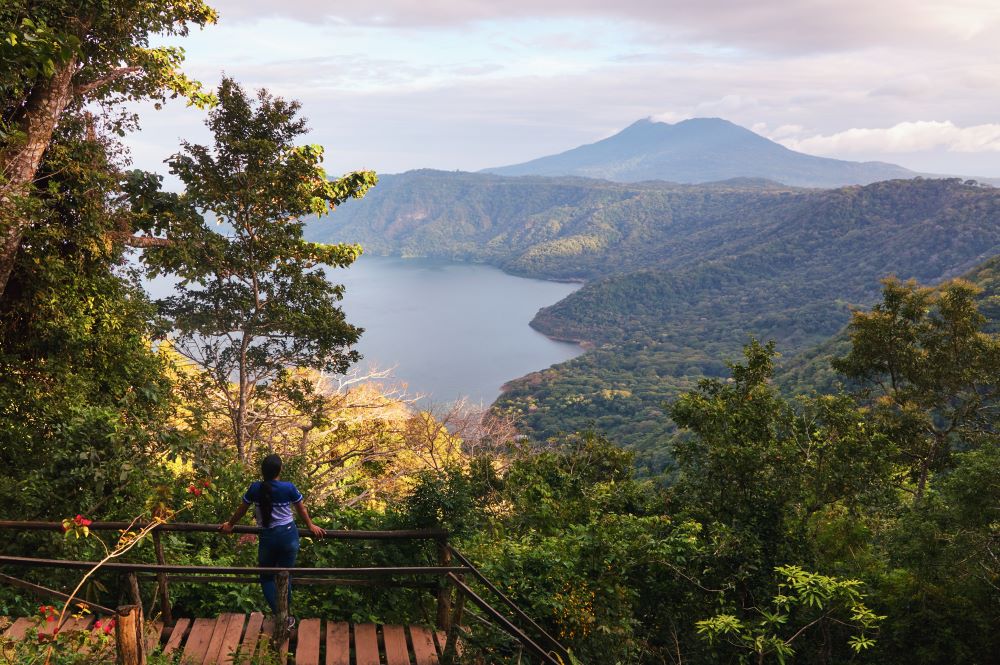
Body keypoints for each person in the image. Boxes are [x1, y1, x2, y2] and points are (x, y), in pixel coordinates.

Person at [221, 454, 324, 625]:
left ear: (262, 471)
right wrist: (310, 525)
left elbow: (242, 510)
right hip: (289, 536)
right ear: (280, 470)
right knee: (286, 574)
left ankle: (281, 615)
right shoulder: (289, 488)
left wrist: (230, 525)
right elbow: (301, 510)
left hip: (268, 537)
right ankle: (286, 615)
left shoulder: (255, 488)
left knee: (267, 577)